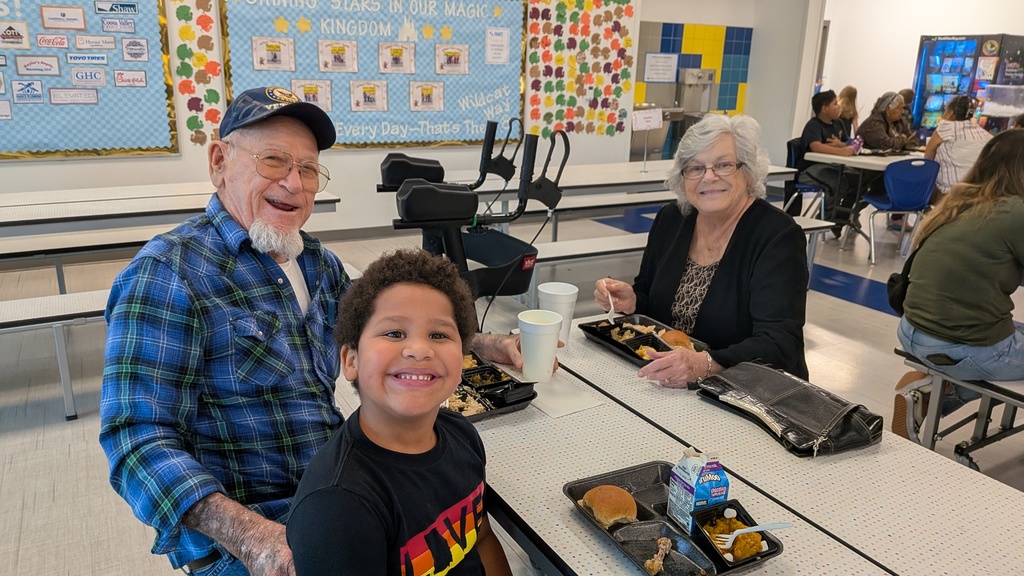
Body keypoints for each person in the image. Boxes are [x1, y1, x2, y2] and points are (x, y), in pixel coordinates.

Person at [99, 86, 525, 575]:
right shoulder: (168, 274)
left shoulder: (318, 263)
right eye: (274, 160)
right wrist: (250, 536)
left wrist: (484, 343)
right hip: (252, 535)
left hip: (343, 488)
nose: (294, 184)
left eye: (307, 168)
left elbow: (388, 328)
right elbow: (135, 439)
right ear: (219, 161)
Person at [287, 249, 513, 575]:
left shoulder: (462, 435)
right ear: (351, 360)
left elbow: (481, 538)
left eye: (439, 334)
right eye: (394, 333)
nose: (419, 349)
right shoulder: (337, 507)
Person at [594, 114, 809, 385]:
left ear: (747, 171)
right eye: (695, 168)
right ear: (682, 178)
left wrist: (708, 364)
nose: (709, 177)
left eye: (723, 165)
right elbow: (652, 299)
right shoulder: (672, 219)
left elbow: (780, 343)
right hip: (670, 380)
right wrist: (634, 301)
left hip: (746, 390)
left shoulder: (777, 236)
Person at [893, 130, 1024, 442]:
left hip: (913, 330)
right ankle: (940, 392)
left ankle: (929, 390)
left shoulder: (958, 201)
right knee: (1003, 341)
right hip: (961, 344)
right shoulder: (1017, 211)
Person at [797, 89, 859, 234]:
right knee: (837, 182)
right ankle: (826, 220)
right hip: (811, 170)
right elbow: (816, 146)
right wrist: (840, 151)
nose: (838, 107)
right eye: (835, 104)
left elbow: (848, 142)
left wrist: (842, 145)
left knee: (857, 180)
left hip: (833, 167)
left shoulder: (838, 124)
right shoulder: (813, 125)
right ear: (824, 109)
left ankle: (842, 217)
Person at [923, 95, 991, 196]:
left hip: (950, 193)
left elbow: (928, 159)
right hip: (980, 192)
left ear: (951, 113)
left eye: (945, 110)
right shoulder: (985, 134)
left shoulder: (945, 127)